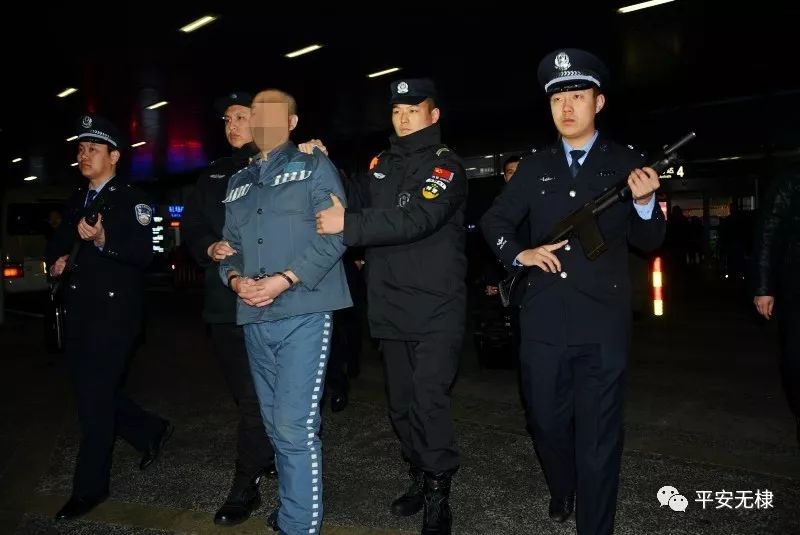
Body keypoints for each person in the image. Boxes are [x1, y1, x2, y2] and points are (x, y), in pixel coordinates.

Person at [480, 49, 665, 535]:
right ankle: (562, 486)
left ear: (598, 103)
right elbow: (495, 221)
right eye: (557, 99)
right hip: (543, 319)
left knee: (600, 437)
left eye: (577, 96)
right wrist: (519, 254)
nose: (566, 107)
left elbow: (651, 241)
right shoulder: (535, 166)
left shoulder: (628, 164)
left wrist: (646, 202)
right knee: (546, 422)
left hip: (603, 324)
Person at [315, 77, 466, 535]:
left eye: (413, 110)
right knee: (400, 405)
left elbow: (416, 218)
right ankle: (419, 472)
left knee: (428, 402)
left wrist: (348, 224)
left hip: (436, 307)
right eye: (397, 110)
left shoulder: (446, 167)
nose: (403, 118)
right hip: (389, 303)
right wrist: (324, 164)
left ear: (433, 115)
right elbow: (354, 196)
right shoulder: (382, 163)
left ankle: (438, 491)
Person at [182, 91, 327, 526]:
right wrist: (210, 247)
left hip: (282, 301)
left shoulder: (297, 163)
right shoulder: (215, 175)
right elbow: (194, 226)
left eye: (241, 117)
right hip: (227, 303)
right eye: (227, 119)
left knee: (272, 406)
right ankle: (283, 474)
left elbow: (329, 223)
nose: (233, 126)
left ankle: (251, 484)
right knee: (253, 401)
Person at [219, 89, 351, 535]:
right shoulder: (239, 181)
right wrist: (234, 279)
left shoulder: (314, 165)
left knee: (294, 427)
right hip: (255, 314)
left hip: (303, 311)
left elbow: (336, 235)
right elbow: (230, 248)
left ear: (292, 123)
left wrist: (284, 279)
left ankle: (299, 524)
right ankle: (294, 508)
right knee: (275, 425)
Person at [46, 114, 173, 521]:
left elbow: (149, 254)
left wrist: (104, 239)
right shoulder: (76, 199)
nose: (84, 155)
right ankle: (149, 429)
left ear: (114, 156)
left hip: (115, 316)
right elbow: (57, 244)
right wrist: (57, 260)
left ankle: (89, 488)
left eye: (94, 149)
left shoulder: (134, 201)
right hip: (79, 313)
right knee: (91, 392)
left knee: (94, 403)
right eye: (81, 149)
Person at [753, 173, 800, 447]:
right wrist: (764, 287)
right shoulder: (791, 179)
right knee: (795, 361)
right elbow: (768, 230)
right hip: (795, 285)